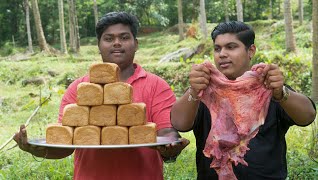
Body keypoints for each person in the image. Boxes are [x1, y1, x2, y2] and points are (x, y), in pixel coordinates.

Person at [14, 12, 189, 180]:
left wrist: (171, 146)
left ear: (136, 44)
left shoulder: (157, 85)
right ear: (98, 45)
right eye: (109, 38)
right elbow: (64, 144)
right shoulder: (79, 89)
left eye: (124, 37)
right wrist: (31, 148)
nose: (117, 43)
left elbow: (166, 132)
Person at [170, 21, 317, 180]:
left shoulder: (269, 89)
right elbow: (179, 124)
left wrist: (281, 93)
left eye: (231, 47)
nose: (222, 54)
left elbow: (308, 116)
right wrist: (193, 91)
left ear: (251, 50)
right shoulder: (204, 91)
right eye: (217, 48)